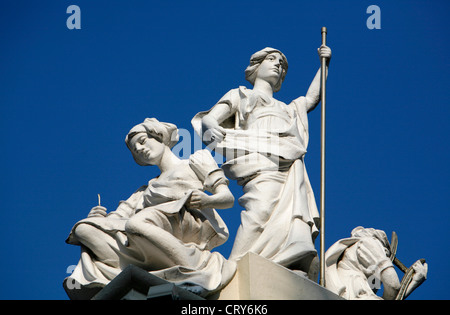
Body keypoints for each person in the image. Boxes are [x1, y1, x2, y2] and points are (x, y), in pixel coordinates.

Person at [192, 45, 331, 279]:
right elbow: (210, 119)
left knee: (289, 219)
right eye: (272, 59)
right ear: (256, 66)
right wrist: (210, 127)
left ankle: (283, 261)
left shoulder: (287, 108)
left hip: (288, 166)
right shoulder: (241, 95)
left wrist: (324, 65)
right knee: (258, 212)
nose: (278, 64)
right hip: (259, 164)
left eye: (282, 64)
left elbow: (312, 98)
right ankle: (233, 269)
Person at [64, 118, 236, 299]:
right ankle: (133, 274)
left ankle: (193, 267)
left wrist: (206, 200)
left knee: (136, 223)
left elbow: (227, 199)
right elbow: (116, 218)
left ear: (159, 136)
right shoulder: (145, 191)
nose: (140, 149)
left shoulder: (195, 161)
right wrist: (96, 219)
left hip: (186, 221)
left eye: (142, 141)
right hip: (152, 226)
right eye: (135, 150)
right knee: (84, 229)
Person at [325, 227, 428, 300]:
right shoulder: (369, 242)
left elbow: (390, 296)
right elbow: (393, 286)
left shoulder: (366, 276)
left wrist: (414, 282)